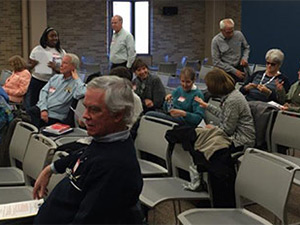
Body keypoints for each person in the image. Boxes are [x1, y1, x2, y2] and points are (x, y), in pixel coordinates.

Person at [33, 76, 143, 224]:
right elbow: (83, 154)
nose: (85, 116)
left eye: (95, 110)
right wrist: (50, 169)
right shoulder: (106, 140)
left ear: (118, 115)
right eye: (86, 107)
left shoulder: (115, 168)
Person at [195, 68, 255, 151]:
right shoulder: (231, 95)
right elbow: (224, 115)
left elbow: (227, 130)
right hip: (233, 136)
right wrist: (207, 106)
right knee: (198, 135)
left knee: (202, 142)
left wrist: (212, 128)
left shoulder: (232, 100)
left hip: (241, 141)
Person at [27, 53, 86, 128]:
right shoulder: (55, 78)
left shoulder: (76, 84)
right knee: (23, 118)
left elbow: (82, 93)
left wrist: (77, 78)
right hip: (41, 109)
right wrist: (43, 109)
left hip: (55, 116)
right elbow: (43, 92)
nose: (61, 65)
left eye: (65, 63)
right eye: (62, 62)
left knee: (29, 122)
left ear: (73, 67)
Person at [25, 27, 66, 109]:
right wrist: (31, 64)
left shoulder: (61, 52)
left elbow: (65, 71)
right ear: (46, 38)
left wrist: (55, 68)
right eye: (52, 36)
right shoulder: (37, 49)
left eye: (56, 36)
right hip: (37, 81)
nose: (55, 38)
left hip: (53, 83)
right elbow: (30, 67)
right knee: (34, 104)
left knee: (49, 105)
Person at [211, 18, 250, 82]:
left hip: (239, 67)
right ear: (222, 30)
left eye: (232, 31)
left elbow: (246, 48)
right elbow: (216, 62)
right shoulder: (216, 41)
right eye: (228, 32)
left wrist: (245, 58)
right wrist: (234, 71)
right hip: (225, 70)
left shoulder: (239, 35)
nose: (231, 34)